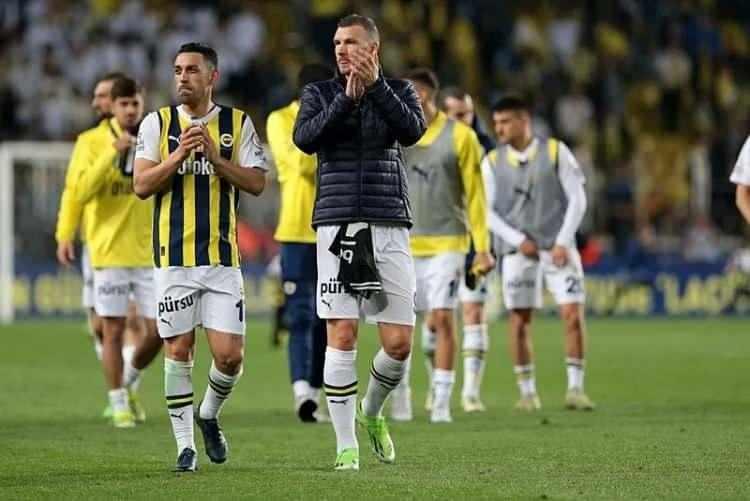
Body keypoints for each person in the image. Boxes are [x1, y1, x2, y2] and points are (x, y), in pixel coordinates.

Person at [293, 14, 426, 471]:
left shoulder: (400, 89)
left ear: (373, 48)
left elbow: (412, 132)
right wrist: (346, 101)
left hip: (388, 221)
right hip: (337, 225)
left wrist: (375, 89)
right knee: (342, 332)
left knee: (399, 344)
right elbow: (305, 139)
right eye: (336, 43)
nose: (341, 50)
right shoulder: (319, 93)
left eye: (350, 42)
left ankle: (371, 410)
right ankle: (345, 445)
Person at [134, 42, 267, 472]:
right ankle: (184, 448)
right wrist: (178, 155)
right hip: (173, 260)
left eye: (192, 70)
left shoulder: (237, 124)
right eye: (177, 70)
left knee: (230, 357)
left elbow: (257, 183)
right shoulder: (156, 123)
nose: (182, 77)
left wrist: (214, 158)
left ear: (213, 76)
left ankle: (208, 413)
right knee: (178, 348)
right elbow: (141, 185)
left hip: (222, 260)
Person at [388, 69, 492, 424]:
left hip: (448, 243)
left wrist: (482, 247)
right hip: (401, 242)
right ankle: (402, 395)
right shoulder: (394, 135)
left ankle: (442, 401)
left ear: (422, 95)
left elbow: (476, 196)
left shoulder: (461, 136)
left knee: (443, 317)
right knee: (399, 327)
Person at [483, 94, 594, 412]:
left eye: (505, 122)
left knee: (572, 314)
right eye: (496, 123)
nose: (499, 129)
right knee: (519, 320)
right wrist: (518, 240)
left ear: (524, 120)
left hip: (559, 248)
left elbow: (578, 199)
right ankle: (527, 393)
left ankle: (575, 390)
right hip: (518, 252)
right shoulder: (491, 162)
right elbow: (485, 212)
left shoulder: (556, 152)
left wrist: (562, 241)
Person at [55, 71, 148, 419]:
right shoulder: (91, 142)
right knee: (103, 326)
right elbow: (75, 192)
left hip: (145, 249)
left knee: (143, 326)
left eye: (103, 96)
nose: (97, 102)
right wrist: (65, 233)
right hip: (102, 246)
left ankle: (125, 385)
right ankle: (119, 394)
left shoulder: (152, 135)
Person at [268, 63, 334, 423]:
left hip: (334, 228)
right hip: (296, 231)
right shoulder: (280, 120)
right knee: (300, 316)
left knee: (329, 316)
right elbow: (301, 165)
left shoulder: (334, 117)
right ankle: (301, 393)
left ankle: (316, 393)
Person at [441, 86, 497, 412]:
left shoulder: (487, 149)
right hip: (441, 239)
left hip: (476, 241)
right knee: (438, 318)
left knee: (474, 311)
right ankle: (438, 389)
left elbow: (490, 201)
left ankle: (471, 393)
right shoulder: (430, 143)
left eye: (468, 113)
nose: (465, 120)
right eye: (457, 114)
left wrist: (485, 245)